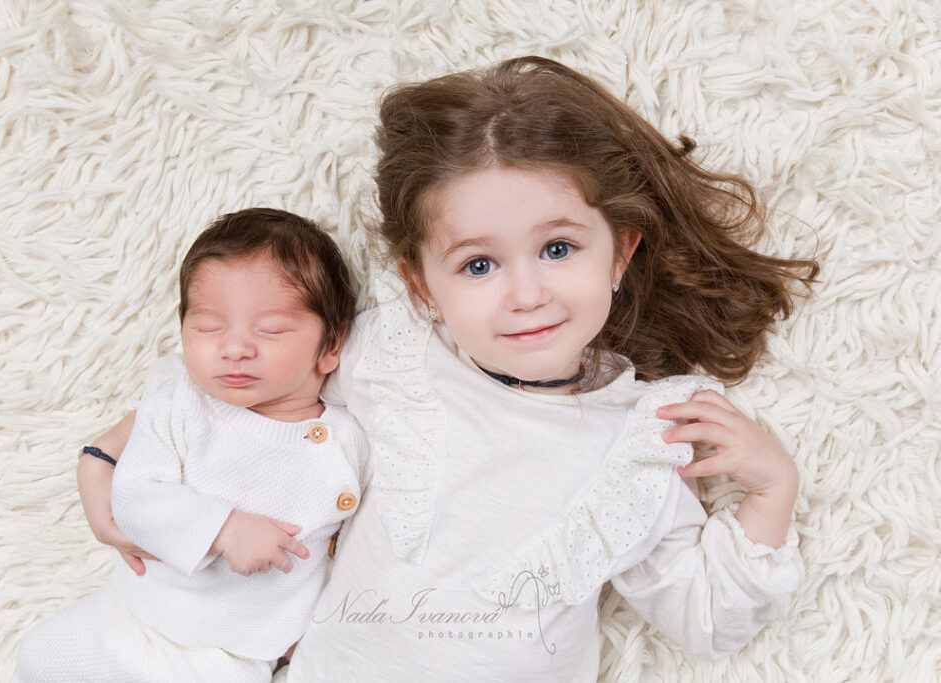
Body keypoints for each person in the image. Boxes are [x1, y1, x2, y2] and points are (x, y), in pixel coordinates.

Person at [75, 57, 819, 682]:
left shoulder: (642, 439)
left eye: (559, 248)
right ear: (422, 285)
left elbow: (703, 614)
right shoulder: (392, 359)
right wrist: (110, 450)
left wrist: (771, 487)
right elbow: (250, 394)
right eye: (480, 263)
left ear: (619, 252)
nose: (527, 293)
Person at [17, 208, 368, 682]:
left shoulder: (350, 437)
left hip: (235, 656)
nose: (235, 347)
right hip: (137, 618)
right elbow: (135, 494)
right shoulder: (181, 406)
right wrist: (224, 529)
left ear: (330, 346)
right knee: (43, 653)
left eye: (270, 329)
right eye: (208, 327)